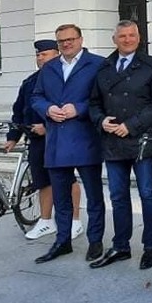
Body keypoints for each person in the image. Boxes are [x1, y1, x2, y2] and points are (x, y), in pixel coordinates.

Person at [88, 21, 152, 270]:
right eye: (122, 36)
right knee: (118, 195)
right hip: (113, 141)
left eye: (131, 35)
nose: (127, 39)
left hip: (142, 140)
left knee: (147, 193)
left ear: (139, 37)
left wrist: (132, 125)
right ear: (114, 38)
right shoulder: (103, 68)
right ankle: (121, 246)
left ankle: (150, 246)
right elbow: (93, 103)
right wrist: (101, 121)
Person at [31, 24, 106, 264]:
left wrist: (80, 108)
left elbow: (105, 98)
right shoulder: (50, 67)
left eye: (71, 39)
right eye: (61, 41)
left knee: (94, 197)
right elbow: (36, 96)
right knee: (61, 197)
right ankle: (62, 241)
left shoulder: (97, 64)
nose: (66, 44)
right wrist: (47, 109)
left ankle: (95, 241)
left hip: (85, 138)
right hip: (56, 141)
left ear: (81, 39)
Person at [6, 39, 83, 241]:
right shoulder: (30, 82)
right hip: (36, 140)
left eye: (45, 54)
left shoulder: (67, 78)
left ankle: (75, 221)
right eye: (38, 55)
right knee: (42, 181)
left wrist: (48, 127)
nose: (40, 58)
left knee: (68, 179)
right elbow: (19, 111)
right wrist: (13, 137)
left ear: (56, 55)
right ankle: (46, 221)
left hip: (62, 139)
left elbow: (73, 110)